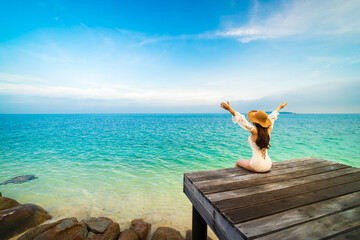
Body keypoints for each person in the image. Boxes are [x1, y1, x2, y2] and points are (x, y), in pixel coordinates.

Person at [220, 101, 288, 172]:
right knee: (250, 160)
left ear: (254, 122)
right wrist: (279, 107)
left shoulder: (255, 131)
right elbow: (272, 117)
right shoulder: (268, 130)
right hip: (268, 164)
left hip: (257, 166)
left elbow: (242, 120)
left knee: (238, 162)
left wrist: (230, 109)